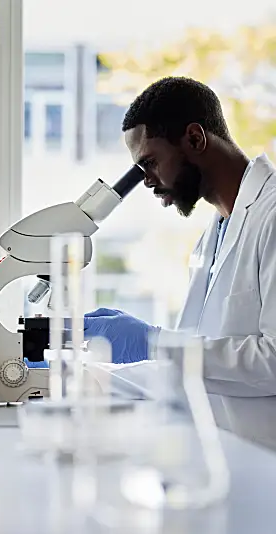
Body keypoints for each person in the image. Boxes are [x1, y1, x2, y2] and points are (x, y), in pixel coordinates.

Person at [84, 76, 276, 450]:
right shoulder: (215, 235)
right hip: (223, 459)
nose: (147, 182)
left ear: (194, 139)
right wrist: (86, 375)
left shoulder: (272, 215)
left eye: (150, 162)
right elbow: (189, 372)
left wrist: (154, 342)